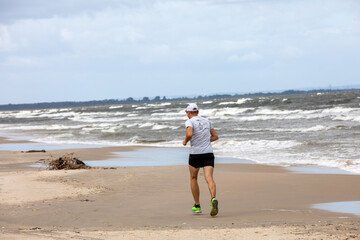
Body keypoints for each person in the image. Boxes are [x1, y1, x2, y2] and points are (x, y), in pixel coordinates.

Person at [183, 103, 219, 216]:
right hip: (208, 153)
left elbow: (189, 134)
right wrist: (206, 141)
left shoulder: (190, 121)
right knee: (209, 177)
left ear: (188, 113)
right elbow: (215, 136)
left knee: (193, 178)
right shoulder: (207, 121)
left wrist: (185, 141)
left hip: (196, 154)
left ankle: (197, 205)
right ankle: (213, 198)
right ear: (197, 112)